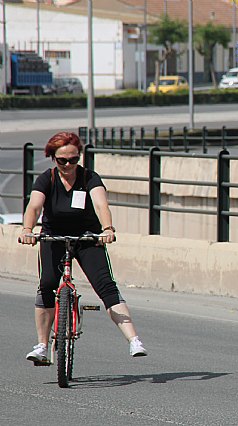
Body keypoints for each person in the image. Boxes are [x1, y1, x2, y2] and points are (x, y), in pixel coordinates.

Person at [19, 131, 147, 364]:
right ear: (53, 159)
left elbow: (101, 204)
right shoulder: (46, 179)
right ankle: (42, 346)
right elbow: (34, 207)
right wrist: (27, 230)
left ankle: (133, 340)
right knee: (47, 285)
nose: (68, 165)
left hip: (87, 238)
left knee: (106, 286)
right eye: (62, 160)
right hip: (53, 237)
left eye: (74, 159)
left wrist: (107, 228)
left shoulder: (90, 178)